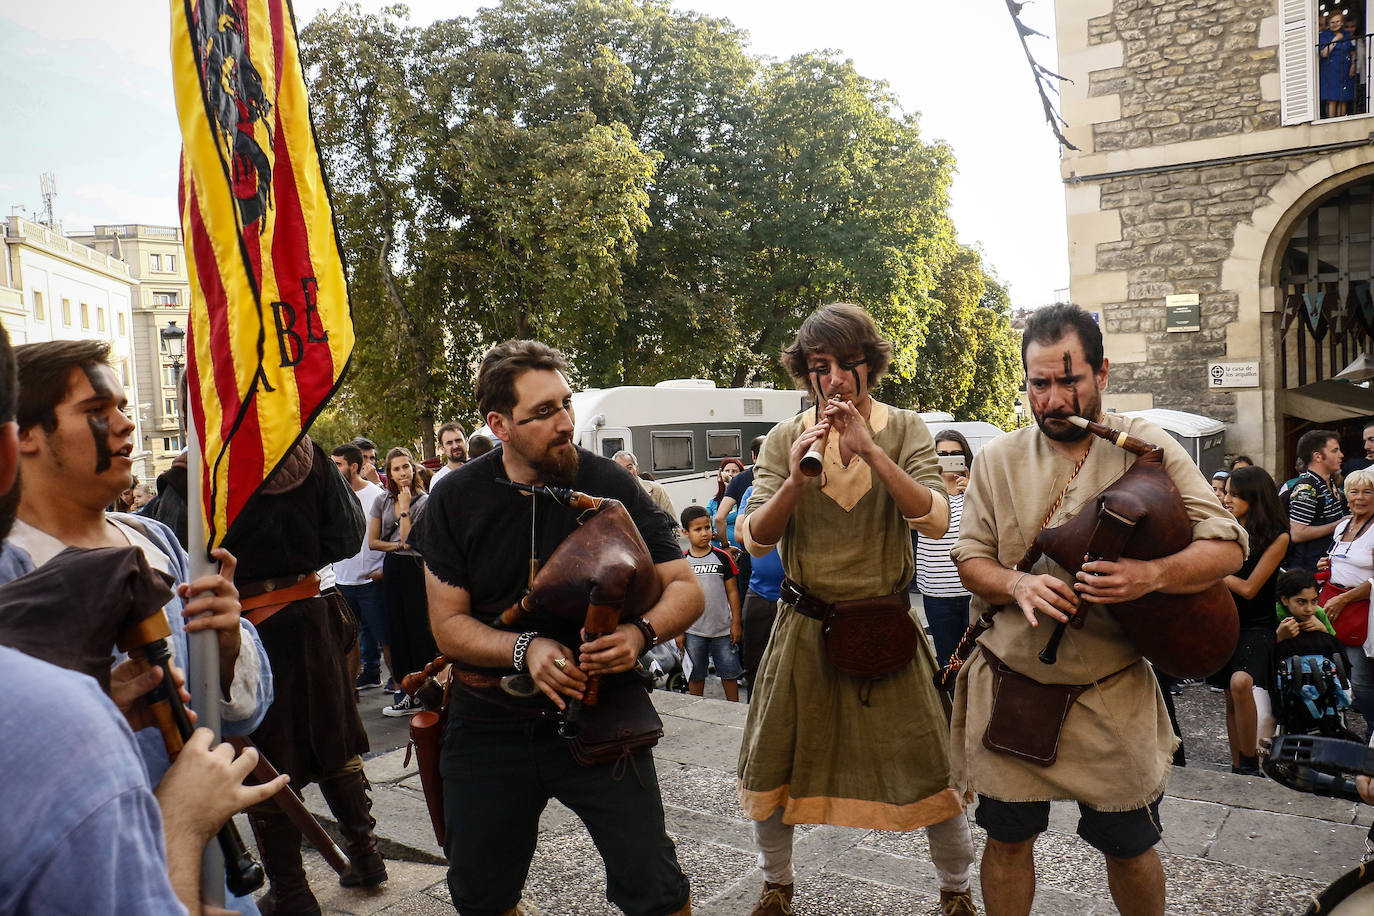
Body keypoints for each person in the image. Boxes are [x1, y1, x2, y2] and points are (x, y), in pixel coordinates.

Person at [949, 304, 1246, 916]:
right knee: (1007, 840)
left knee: (1130, 847)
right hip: (1012, 684)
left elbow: (1228, 546)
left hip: (1109, 691)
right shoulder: (998, 459)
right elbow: (970, 558)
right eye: (1039, 384)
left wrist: (1150, 576)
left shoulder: (1149, 448)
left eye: (1070, 380)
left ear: (1102, 373)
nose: (1054, 400)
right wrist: (1016, 584)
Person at [412, 339, 700, 916]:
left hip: (604, 711)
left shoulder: (612, 483)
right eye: (543, 412)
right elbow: (448, 627)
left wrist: (640, 634)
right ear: (499, 424)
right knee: (480, 895)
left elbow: (686, 588)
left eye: (566, 404)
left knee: (655, 889)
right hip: (488, 721)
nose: (566, 422)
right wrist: (525, 648)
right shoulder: (454, 499)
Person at [0, 339, 274, 913]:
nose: (127, 425)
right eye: (97, 411)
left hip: (210, 863)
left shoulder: (153, 539)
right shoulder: (10, 569)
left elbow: (239, 714)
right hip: (93, 873)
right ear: (24, 435)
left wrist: (227, 642)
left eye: (123, 407)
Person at [736, 303, 976, 916]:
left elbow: (936, 518)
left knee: (933, 765)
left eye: (849, 363)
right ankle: (776, 884)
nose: (837, 379)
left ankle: (956, 890)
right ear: (806, 373)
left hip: (884, 625)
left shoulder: (906, 428)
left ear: (871, 365)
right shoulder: (785, 438)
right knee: (773, 762)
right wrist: (796, 483)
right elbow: (754, 539)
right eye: (821, 366)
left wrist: (871, 451)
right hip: (804, 625)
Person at [221, 435, 384, 914]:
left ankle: (292, 893)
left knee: (263, 753)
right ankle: (365, 857)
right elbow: (346, 534)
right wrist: (297, 558)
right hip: (310, 616)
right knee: (334, 737)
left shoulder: (200, 465)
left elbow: (180, 557)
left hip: (245, 630)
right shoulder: (307, 453)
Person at [1215, 466, 1289, 775]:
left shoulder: (1278, 536)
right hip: (1223, 620)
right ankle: (1239, 767)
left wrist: (1210, 569)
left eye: (1234, 494)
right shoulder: (1224, 527)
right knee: (1230, 695)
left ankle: (1248, 762)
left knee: (1241, 682)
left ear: (1254, 497)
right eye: (1226, 493)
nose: (1226, 499)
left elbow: (1249, 588)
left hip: (1257, 624)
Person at [368, 446, 434, 716]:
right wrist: (397, 547)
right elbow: (373, 542)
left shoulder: (425, 501)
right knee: (396, 630)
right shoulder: (382, 501)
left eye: (406, 466)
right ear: (390, 473)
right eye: (396, 468)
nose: (402, 472)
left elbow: (410, 540)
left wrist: (405, 509)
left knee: (419, 630)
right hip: (393, 566)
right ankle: (406, 693)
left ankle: (426, 692)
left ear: (414, 468)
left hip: (416, 569)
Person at [1317, 468, 1374, 737]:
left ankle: (1372, 731)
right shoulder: (1343, 526)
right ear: (1346, 495)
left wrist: (1345, 598)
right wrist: (1325, 566)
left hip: (1363, 611)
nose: (1359, 497)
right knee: (1337, 672)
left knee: (1361, 679)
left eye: (1367, 492)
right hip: (1335, 606)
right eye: (1354, 491)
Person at [332, 442, 390, 691]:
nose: (334, 469)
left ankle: (400, 687)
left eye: (338, 464)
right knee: (349, 639)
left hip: (371, 581)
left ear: (353, 467)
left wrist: (384, 569)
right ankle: (361, 682)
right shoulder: (333, 496)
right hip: (342, 581)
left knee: (385, 637)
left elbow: (392, 535)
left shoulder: (376, 495)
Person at [917, 429, 975, 674]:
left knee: (977, 662)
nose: (948, 458)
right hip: (937, 593)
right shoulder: (924, 493)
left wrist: (974, 491)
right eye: (941, 454)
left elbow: (994, 527)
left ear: (965, 456)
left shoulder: (977, 490)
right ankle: (952, 701)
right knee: (947, 662)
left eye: (955, 454)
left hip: (974, 591)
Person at [678, 504, 742, 701]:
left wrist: (736, 623)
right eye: (697, 529)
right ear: (685, 533)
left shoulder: (722, 557)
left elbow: (733, 592)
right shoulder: (682, 562)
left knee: (729, 674)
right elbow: (680, 598)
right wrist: (679, 631)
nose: (704, 533)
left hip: (723, 631)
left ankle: (734, 711)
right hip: (694, 632)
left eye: (707, 527)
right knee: (696, 676)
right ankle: (696, 711)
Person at [738, 479, 784, 700]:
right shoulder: (753, 491)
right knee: (754, 663)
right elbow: (741, 533)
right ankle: (753, 707)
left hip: (799, 596)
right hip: (759, 593)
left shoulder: (807, 488)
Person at [1288, 428, 1348, 572]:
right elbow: (1297, 533)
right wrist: (1339, 524)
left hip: (1325, 566)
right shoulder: (1307, 488)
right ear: (1318, 456)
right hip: (1309, 571)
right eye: (1335, 451)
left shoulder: (1329, 482)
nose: (1341, 455)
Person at [717, 436, 766, 590]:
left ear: (753, 455)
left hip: (749, 551)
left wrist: (725, 545)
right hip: (779, 553)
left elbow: (719, 517)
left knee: (747, 596)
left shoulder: (740, 480)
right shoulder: (785, 476)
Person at [613, 449, 677, 525]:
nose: (625, 472)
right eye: (620, 469)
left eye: (629, 468)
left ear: (637, 468)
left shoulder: (656, 490)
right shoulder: (611, 496)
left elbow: (674, 524)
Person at [1320, 11, 1358, 119]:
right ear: (1328, 23)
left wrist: (1353, 65)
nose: (1335, 24)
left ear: (1341, 22)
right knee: (1332, 98)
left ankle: (1342, 122)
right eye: (1332, 22)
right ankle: (1332, 122)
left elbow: (1352, 51)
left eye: (1337, 21)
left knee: (1343, 98)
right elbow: (1324, 53)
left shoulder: (1346, 34)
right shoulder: (1324, 35)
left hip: (1345, 68)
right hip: (1331, 70)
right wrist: (1335, 40)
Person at [706, 457, 745, 554]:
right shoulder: (713, 502)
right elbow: (705, 522)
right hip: (719, 551)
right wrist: (711, 534)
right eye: (727, 471)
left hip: (741, 550)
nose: (730, 474)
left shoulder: (744, 499)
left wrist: (734, 484)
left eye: (734, 471)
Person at [430, 422, 468, 489]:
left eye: (458, 440)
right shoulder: (438, 479)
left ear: (466, 441)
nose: (455, 446)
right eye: (449, 443)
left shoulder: (478, 471)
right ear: (442, 448)